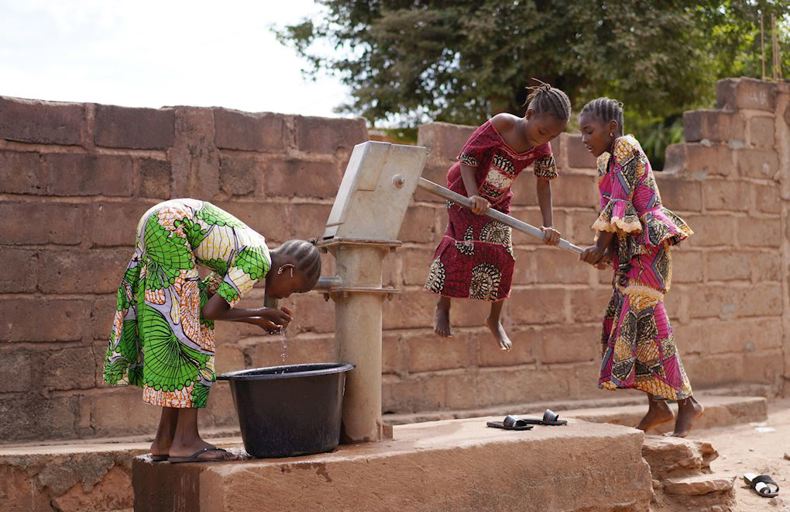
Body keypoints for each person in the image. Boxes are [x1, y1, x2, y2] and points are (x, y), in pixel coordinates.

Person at [103, 198, 321, 462]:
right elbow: (212, 312)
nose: (289, 295)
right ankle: (185, 441)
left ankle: (165, 439)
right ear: (287, 271)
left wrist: (259, 316)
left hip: (160, 221)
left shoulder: (249, 247)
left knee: (182, 328)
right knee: (193, 336)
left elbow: (206, 299)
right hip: (170, 225)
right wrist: (258, 316)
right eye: (295, 288)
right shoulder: (258, 260)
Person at [578, 98, 703, 437]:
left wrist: (598, 247)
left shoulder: (625, 148)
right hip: (628, 256)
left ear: (611, 129)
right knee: (632, 328)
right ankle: (658, 405)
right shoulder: (606, 161)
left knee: (652, 327)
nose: (584, 139)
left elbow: (620, 204)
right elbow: (615, 217)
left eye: (589, 131)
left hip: (647, 254)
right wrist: (604, 252)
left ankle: (687, 401)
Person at [425, 80, 570, 350]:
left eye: (551, 137)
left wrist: (548, 225)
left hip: (497, 199)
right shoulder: (504, 124)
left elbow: (544, 183)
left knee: (504, 254)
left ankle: (494, 319)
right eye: (542, 131)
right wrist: (471, 197)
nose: (544, 139)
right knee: (461, 244)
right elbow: (467, 158)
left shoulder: (542, 148)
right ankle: (443, 306)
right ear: (529, 115)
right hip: (463, 186)